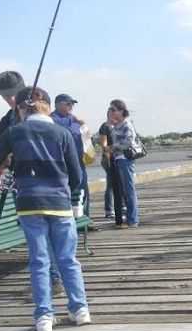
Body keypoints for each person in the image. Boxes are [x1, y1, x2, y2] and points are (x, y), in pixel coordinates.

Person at [0, 86, 91, 331]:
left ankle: (44, 317)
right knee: (67, 259)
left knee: (39, 261)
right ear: (48, 106)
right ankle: (80, 309)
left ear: (20, 108)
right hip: (60, 205)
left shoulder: (14, 132)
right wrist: (64, 191)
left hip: (29, 205)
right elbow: (76, 174)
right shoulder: (61, 133)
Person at [51, 94, 99, 232]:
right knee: (68, 192)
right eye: (68, 104)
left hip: (79, 161)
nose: (71, 106)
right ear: (58, 105)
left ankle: (84, 220)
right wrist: (74, 119)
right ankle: (69, 221)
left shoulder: (73, 121)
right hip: (63, 163)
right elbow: (54, 124)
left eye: (72, 104)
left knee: (83, 191)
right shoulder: (54, 118)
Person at [107, 99, 140, 228]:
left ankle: (133, 220)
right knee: (125, 191)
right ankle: (130, 218)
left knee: (129, 190)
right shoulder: (116, 125)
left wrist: (113, 147)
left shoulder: (126, 125)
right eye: (110, 109)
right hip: (119, 159)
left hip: (126, 159)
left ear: (121, 111)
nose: (111, 112)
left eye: (113, 110)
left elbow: (128, 142)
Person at [99, 108, 125, 226]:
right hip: (109, 159)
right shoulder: (105, 126)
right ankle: (109, 210)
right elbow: (103, 143)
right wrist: (108, 153)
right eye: (112, 112)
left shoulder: (119, 126)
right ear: (108, 114)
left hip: (118, 158)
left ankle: (122, 206)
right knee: (111, 184)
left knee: (119, 183)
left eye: (116, 112)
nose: (114, 114)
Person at [0, 71, 26, 139]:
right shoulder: (5, 122)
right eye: (6, 95)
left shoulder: (41, 115)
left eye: (16, 93)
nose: (12, 99)